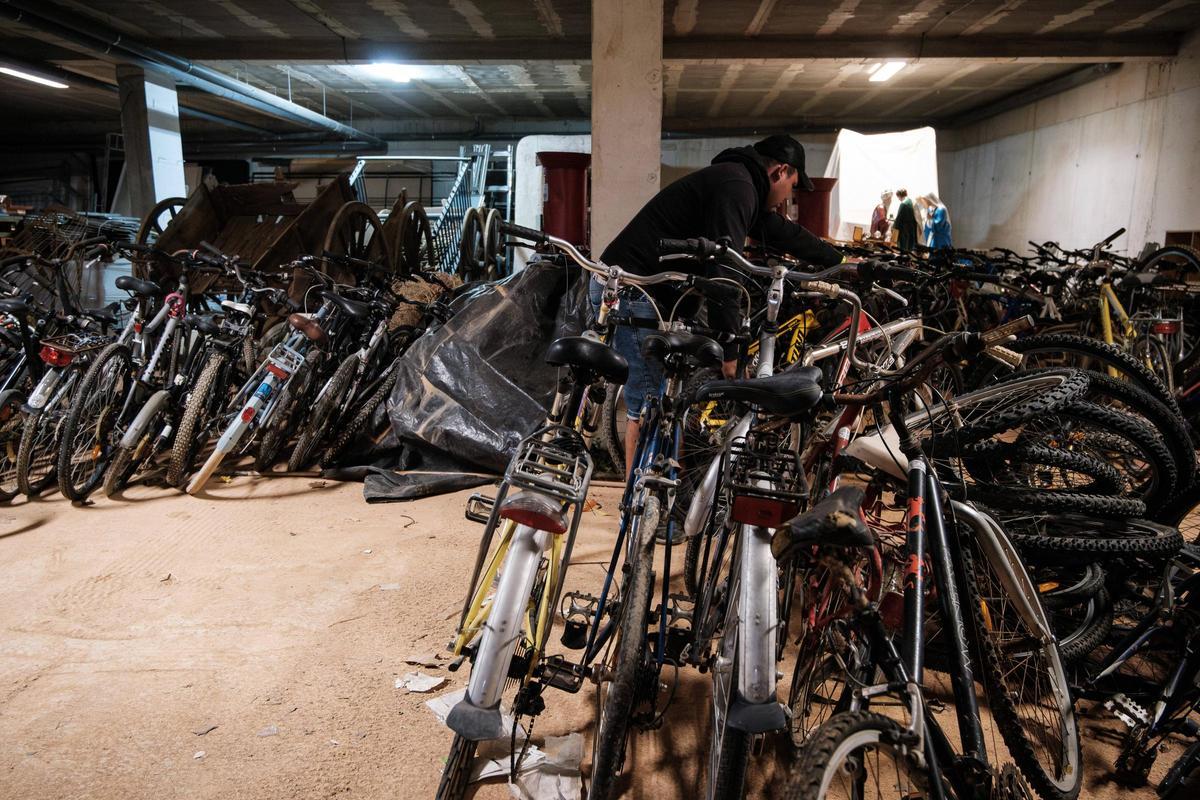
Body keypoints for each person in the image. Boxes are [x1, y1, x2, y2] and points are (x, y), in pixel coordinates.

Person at [597, 134, 844, 475]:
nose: (790, 196)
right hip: (636, 290)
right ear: (781, 171)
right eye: (793, 186)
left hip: (661, 294)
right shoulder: (737, 187)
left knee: (670, 399)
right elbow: (725, 271)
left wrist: (838, 260)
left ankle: (663, 493)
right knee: (648, 404)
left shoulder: (743, 185)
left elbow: (779, 231)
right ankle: (635, 511)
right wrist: (730, 351)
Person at [893, 188, 918, 252]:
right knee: (910, 246)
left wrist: (893, 227)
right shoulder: (910, 201)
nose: (898, 199)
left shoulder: (903, 204)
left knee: (904, 247)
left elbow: (899, 218)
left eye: (898, 197)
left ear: (899, 195)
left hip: (904, 230)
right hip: (911, 228)